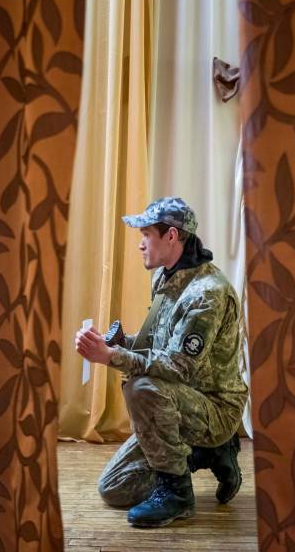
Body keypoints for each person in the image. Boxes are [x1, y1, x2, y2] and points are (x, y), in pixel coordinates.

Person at [75, 197, 249, 528]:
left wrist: (110, 357)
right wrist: (118, 344)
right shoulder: (168, 277)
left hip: (213, 406)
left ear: (171, 236)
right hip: (176, 400)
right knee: (113, 488)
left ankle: (177, 495)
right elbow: (159, 346)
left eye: (146, 236)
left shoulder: (206, 294)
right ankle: (206, 453)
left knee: (142, 387)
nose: (141, 245)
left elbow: (177, 367)